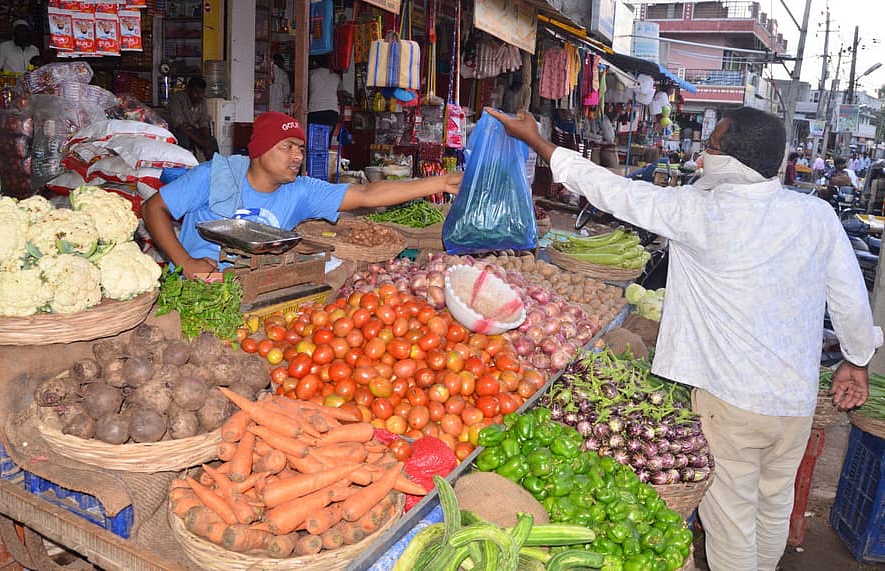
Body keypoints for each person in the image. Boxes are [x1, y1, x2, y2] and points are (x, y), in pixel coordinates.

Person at [486, 105, 880, 571]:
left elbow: (612, 191)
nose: (701, 155)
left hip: (731, 402)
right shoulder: (815, 214)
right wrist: (857, 361)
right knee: (774, 503)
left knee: (731, 520)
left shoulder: (700, 211)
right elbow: (850, 299)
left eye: (710, 147)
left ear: (729, 162)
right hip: (795, 400)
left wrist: (537, 141)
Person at [142, 112, 461, 278]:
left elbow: (368, 194)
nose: (297, 156)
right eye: (287, 147)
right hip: (199, 284)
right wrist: (185, 263)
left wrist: (441, 183)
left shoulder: (301, 190)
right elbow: (153, 209)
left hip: (257, 285)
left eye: (300, 149)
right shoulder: (216, 174)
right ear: (260, 151)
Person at [167, 77, 219, 159]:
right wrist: (200, 142)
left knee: (212, 142)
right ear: (188, 90)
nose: (199, 95)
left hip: (188, 128)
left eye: (202, 92)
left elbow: (203, 122)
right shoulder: (176, 98)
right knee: (184, 140)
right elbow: (178, 124)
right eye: (196, 92)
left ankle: (215, 165)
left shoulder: (201, 100)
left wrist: (207, 141)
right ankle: (187, 164)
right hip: (172, 129)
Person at [307, 56, 343, 130]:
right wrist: (342, 112)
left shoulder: (311, 74)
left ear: (317, 63)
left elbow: (306, 91)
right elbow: (341, 95)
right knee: (327, 135)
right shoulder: (335, 76)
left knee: (314, 135)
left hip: (315, 110)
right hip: (331, 112)